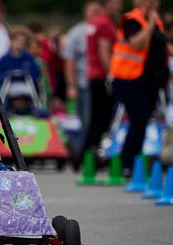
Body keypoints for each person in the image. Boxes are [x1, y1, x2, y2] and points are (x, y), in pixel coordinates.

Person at [110, 0, 173, 173]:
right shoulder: (132, 20)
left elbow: (163, 46)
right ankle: (127, 163)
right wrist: (150, 24)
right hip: (129, 79)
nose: (153, 3)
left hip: (149, 82)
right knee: (138, 120)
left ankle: (133, 162)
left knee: (142, 121)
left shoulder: (155, 21)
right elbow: (137, 43)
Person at [79, 0, 122, 167]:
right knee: (102, 119)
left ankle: (86, 155)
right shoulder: (104, 23)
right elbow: (104, 52)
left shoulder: (96, 22)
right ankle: (90, 155)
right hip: (102, 76)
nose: (120, 7)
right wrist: (111, 76)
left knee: (96, 118)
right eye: (117, 3)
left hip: (94, 75)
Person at [62, 1, 102, 146]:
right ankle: (85, 152)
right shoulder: (76, 32)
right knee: (86, 120)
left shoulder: (103, 29)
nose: (95, 14)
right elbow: (69, 60)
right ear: (85, 12)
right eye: (93, 10)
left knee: (100, 119)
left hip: (101, 82)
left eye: (98, 11)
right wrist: (71, 85)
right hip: (83, 83)